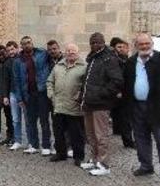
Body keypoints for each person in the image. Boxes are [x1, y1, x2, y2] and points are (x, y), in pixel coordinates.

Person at [123, 33, 160, 186]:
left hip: (158, 108)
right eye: (140, 44)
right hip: (137, 108)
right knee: (141, 140)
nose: (144, 46)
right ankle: (146, 166)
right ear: (136, 46)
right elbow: (126, 85)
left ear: (152, 43)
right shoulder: (130, 63)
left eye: (146, 43)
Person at [78, 33, 123, 176]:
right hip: (89, 103)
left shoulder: (109, 58)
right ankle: (94, 159)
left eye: (97, 42)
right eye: (92, 42)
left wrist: (100, 94)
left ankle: (103, 164)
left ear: (103, 42)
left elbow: (116, 81)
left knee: (100, 135)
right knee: (91, 135)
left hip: (100, 104)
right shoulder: (92, 58)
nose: (94, 45)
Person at [47, 43, 87, 165]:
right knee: (58, 133)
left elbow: (86, 85)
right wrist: (51, 94)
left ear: (78, 53)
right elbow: (50, 81)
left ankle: (78, 156)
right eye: (68, 51)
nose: (70, 53)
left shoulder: (84, 67)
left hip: (74, 107)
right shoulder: (58, 66)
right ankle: (61, 153)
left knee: (77, 135)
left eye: (73, 51)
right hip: (58, 106)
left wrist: (80, 96)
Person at [13, 36, 52, 155]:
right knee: (31, 121)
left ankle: (46, 146)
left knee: (44, 120)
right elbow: (16, 80)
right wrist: (19, 98)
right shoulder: (18, 60)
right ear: (21, 46)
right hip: (28, 94)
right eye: (24, 44)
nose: (26, 45)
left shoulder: (42, 54)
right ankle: (34, 145)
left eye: (28, 43)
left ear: (32, 43)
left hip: (41, 92)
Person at [109, 37, 135, 148]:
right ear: (113, 48)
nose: (121, 49)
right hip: (113, 93)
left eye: (123, 47)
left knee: (125, 119)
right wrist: (117, 90)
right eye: (119, 47)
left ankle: (127, 140)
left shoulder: (125, 60)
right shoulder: (112, 60)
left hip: (123, 94)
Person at [4, 41, 25, 150]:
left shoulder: (23, 59)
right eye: (8, 50)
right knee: (15, 118)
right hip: (12, 92)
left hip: (24, 92)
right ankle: (18, 140)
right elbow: (5, 80)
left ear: (17, 48)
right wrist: (5, 95)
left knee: (28, 119)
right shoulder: (7, 63)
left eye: (12, 49)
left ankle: (31, 142)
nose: (11, 52)